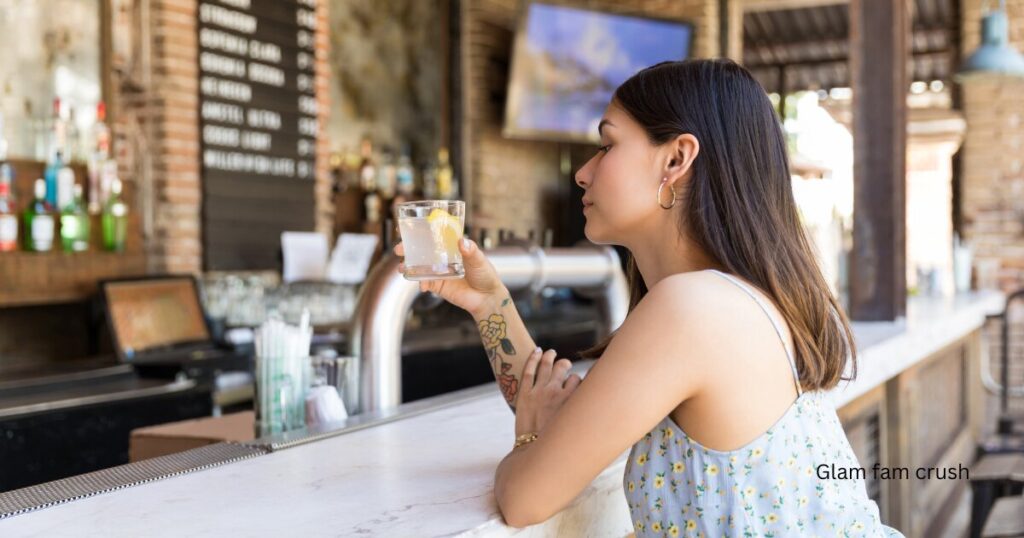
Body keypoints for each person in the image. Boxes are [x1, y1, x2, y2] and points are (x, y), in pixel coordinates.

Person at [394, 59, 903, 537]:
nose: (583, 172)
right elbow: (575, 417)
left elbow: (527, 497)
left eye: (607, 145)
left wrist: (528, 441)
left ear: (676, 158)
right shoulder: (734, 299)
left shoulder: (691, 308)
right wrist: (489, 304)